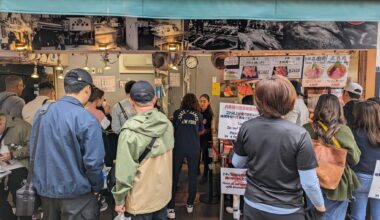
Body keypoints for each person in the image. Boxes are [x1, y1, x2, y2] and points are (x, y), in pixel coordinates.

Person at [232, 75, 325, 220]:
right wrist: (320, 206)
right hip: (287, 210)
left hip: (253, 204)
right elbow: (309, 183)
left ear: (259, 100)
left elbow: (237, 162)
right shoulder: (300, 134)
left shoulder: (247, 127)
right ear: (289, 100)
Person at [32, 69, 105, 220]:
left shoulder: (41, 113)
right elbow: (94, 162)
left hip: (46, 192)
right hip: (77, 194)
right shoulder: (87, 119)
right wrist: (97, 187)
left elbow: (34, 150)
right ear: (87, 89)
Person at [112, 81, 174, 220]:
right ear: (154, 99)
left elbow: (124, 172)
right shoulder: (168, 125)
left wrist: (119, 200)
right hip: (162, 196)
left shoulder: (128, 133)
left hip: (139, 202)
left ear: (131, 101)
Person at [304, 94, 361, 220]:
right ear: (338, 109)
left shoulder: (306, 129)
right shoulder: (344, 131)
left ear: (318, 108)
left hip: (312, 181)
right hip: (337, 184)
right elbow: (355, 159)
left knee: (315, 216)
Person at [167, 93, 205, 219]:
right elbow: (201, 131)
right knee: (192, 176)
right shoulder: (199, 115)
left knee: (174, 176)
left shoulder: (177, 113)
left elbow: (173, 127)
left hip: (178, 146)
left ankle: (171, 208)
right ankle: (190, 204)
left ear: (183, 102)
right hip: (194, 148)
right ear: (195, 102)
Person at [350, 101, 380, 220]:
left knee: (357, 216)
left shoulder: (354, 133)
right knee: (378, 215)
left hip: (359, 176)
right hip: (378, 176)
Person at [0, 113, 31, 220]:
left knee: (22, 203)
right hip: (2, 171)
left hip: (19, 168)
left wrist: (13, 155)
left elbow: (34, 146)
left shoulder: (21, 126)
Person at [198, 94, 214, 184]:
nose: (202, 103)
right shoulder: (198, 112)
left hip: (207, 140)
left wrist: (203, 131)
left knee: (207, 158)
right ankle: (197, 173)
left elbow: (211, 128)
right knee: (197, 156)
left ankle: (206, 175)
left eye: (204, 101)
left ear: (208, 102)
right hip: (198, 138)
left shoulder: (210, 114)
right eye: (201, 101)